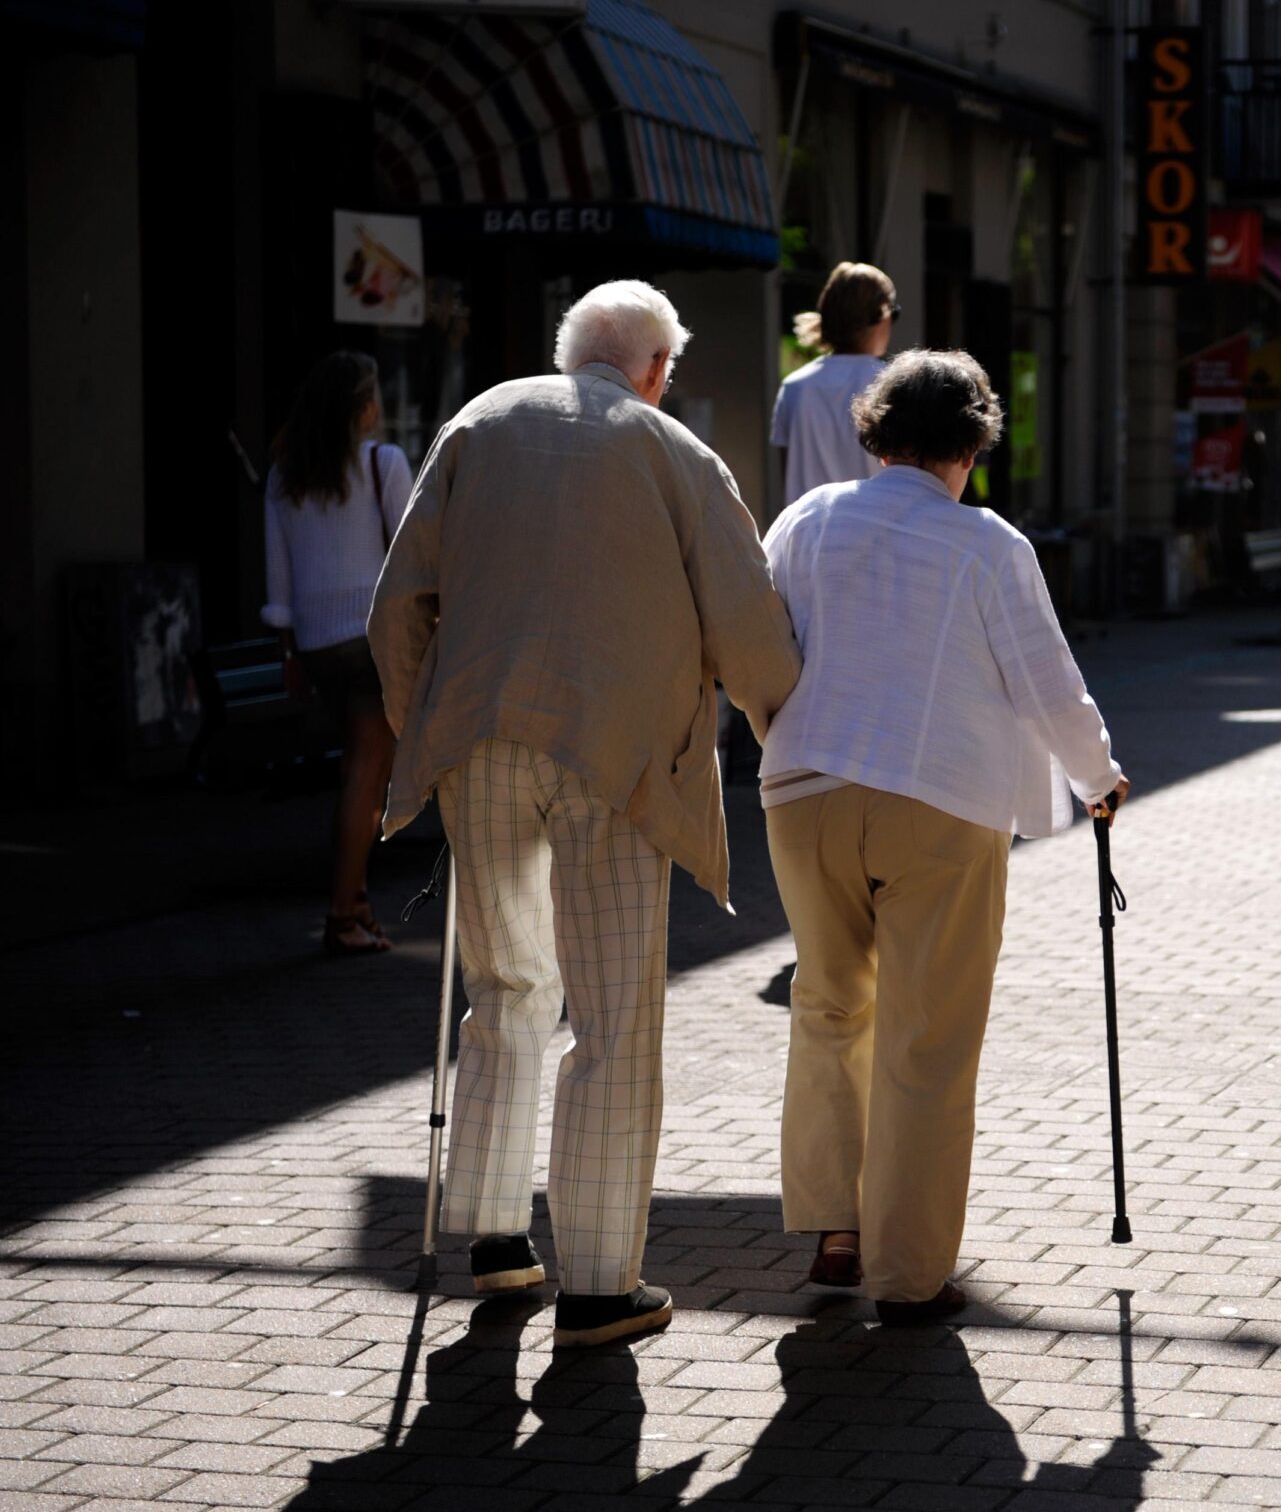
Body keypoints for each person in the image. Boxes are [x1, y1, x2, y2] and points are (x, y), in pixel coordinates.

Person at [370, 280, 803, 1348]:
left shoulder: (479, 421)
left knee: (505, 985)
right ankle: (602, 1285)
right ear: (653, 368)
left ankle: (490, 1235)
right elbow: (746, 617)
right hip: (615, 760)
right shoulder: (674, 453)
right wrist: (783, 719)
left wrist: (422, 720)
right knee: (614, 1022)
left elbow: (399, 600)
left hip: (478, 740)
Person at [757, 351, 1128, 1326]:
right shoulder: (986, 544)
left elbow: (757, 645)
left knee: (830, 1005)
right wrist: (1097, 778)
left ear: (874, 432)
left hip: (803, 791)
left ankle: (838, 1227)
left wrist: (780, 740)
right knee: (926, 1038)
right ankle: (908, 1272)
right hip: (937, 799)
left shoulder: (804, 522)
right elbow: (1047, 683)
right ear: (970, 443)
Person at [260, 351, 412, 957]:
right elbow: (411, 555)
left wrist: (288, 649)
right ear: (360, 409)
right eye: (373, 397)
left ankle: (359, 904)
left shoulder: (283, 476)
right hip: (372, 639)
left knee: (359, 772)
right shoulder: (384, 463)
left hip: (318, 644)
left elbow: (278, 577)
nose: (379, 409)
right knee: (365, 779)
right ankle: (343, 915)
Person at [771, 261, 897, 507]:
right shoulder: (892, 386)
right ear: (879, 316)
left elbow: (786, 474)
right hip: (874, 536)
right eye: (894, 311)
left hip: (807, 536)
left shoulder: (794, 388)